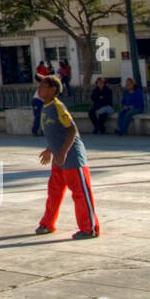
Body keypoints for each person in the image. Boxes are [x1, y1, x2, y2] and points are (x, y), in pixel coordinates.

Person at [33, 75, 100, 239]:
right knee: (54, 192)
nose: (39, 89)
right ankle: (47, 223)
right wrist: (50, 149)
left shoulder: (58, 106)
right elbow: (56, 132)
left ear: (53, 90)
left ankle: (89, 228)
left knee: (80, 193)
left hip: (72, 159)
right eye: (39, 85)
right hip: (59, 159)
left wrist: (63, 152)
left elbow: (71, 130)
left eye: (43, 86)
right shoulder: (46, 106)